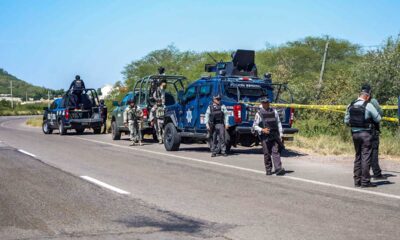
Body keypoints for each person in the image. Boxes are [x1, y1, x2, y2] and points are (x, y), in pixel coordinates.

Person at [344, 88, 381, 188]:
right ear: (367, 96)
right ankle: (365, 182)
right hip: (366, 134)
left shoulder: (350, 105)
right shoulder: (368, 105)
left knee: (358, 156)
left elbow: (346, 121)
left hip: (354, 134)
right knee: (366, 157)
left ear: (359, 95)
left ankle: (357, 181)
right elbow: (378, 118)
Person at [253, 97, 285, 176]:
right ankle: (268, 169)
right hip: (265, 136)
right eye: (264, 102)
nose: (265, 104)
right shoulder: (259, 113)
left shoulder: (274, 111)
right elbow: (254, 126)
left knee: (275, 151)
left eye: (267, 102)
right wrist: (262, 130)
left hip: (274, 134)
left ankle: (278, 168)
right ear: (262, 103)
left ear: (268, 103)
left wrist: (281, 133)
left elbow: (278, 123)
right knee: (267, 153)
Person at [361, 84, 386, 180]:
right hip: (372, 130)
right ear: (370, 92)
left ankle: (362, 174)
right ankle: (377, 173)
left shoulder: (357, 101)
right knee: (374, 151)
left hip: (360, 130)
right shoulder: (373, 101)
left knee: (362, 152)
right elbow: (380, 114)